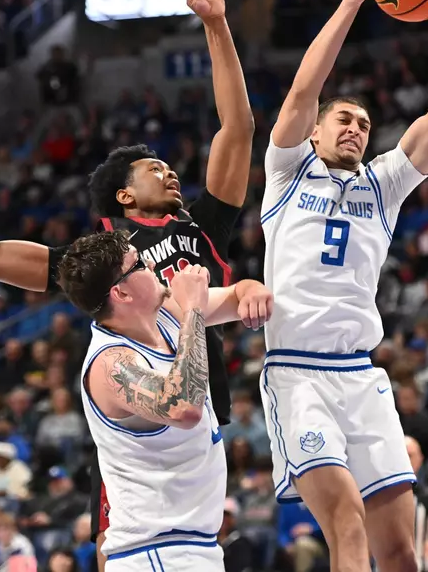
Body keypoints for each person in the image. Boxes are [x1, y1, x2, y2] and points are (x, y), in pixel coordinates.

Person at [0, 0, 254, 571]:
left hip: (199, 400)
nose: (170, 172)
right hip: (140, 406)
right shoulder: (98, 263)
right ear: (123, 196)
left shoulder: (201, 224)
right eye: (153, 168)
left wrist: (216, 24)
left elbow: (238, 128)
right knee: (126, 547)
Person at [259, 0, 428, 572]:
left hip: (361, 374)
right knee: (345, 521)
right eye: (343, 119)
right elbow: (305, 88)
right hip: (297, 373)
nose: (354, 128)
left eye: (365, 125)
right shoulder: (288, 171)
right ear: (317, 131)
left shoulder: (383, 186)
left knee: (400, 551)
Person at [56, 231, 273, 570]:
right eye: (139, 264)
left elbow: (236, 296)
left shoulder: (168, 313)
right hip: (155, 552)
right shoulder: (110, 365)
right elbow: (184, 407)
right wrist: (194, 309)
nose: (152, 263)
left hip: (194, 544)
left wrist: (252, 290)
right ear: (121, 292)